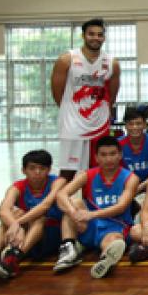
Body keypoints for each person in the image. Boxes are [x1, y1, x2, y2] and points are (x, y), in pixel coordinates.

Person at [53, 136, 140, 278]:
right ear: (96, 157)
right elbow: (61, 194)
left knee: (113, 241)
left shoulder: (131, 178)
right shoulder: (86, 175)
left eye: (112, 154)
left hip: (115, 226)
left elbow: (121, 206)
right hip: (89, 226)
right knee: (74, 203)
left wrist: (91, 215)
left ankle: (105, 259)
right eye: (104, 155)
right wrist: (73, 212)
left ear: (120, 155)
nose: (108, 159)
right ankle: (68, 248)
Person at [51, 18, 120, 181]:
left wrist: (103, 113)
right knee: (68, 171)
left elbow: (112, 94)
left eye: (100, 35)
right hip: (73, 124)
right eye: (91, 34)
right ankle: (59, 204)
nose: (95, 38)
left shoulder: (112, 63)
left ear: (104, 37)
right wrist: (71, 112)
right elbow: (57, 93)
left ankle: (94, 205)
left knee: (99, 169)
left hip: (99, 124)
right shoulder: (66, 59)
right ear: (83, 36)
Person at [0, 150, 67, 279]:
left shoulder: (58, 182)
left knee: (37, 218)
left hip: (51, 236)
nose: (37, 172)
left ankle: (14, 259)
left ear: (49, 169)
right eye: (32, 168)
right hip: (26, 239)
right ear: (24, 170)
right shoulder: (17, 187)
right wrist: (15, 224)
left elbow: (45, 205)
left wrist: (17, 223)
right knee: (12, 215)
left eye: (42, 168)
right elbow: (2, 210)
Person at [119, 108, 148, 195]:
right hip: (127, 185)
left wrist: (139, 188)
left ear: (145, 125)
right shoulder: (118, 144)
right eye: (131, 124)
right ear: (125, 126)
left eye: (138, 123)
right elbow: (116, 174)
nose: (135, 127)